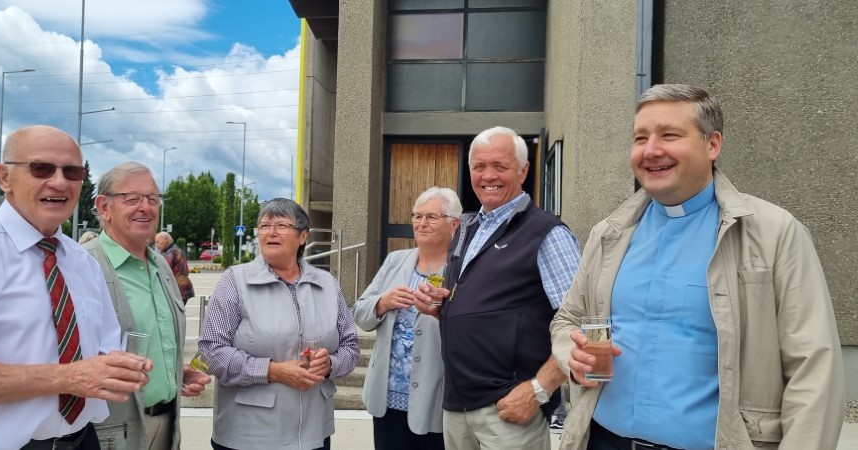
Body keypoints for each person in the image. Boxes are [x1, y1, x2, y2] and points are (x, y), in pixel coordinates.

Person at [550, 84, 846, 450]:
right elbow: (568, 320)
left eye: (669, 135)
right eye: (640, 138)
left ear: (713, 144)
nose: (651, 150)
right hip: (603, 441)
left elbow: (814, 369)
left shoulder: (775, 234)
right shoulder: (609, 234)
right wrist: (572, 355)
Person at [0, 125, 150, 450]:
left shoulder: (83, 262)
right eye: (41, 168)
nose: (60, 182)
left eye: (73, 172)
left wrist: (126, 368)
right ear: (4, 177)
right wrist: (68, 377)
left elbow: (103, 352)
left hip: (82, 440)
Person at [413, 126, 581, 450]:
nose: (488, 175)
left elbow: (580, 324)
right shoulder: (467, 229)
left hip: (510, 408)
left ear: (523, 171)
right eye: (479, 166)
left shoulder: (547, 233)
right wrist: (441, 308)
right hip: (457, 406)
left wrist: (539, 390)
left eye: (500, 166)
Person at [199, 198, 360, 450]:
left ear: (303, 236)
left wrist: (330, 364)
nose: (271, 232)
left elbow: (350, 346)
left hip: (314, 433)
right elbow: (211, 351)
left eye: (282, 225)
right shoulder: (235, 281)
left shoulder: (327, 284)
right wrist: (272, 371)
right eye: (264, 226)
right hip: (250, 436)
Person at [84, 162, 211, 449]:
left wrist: (172, 373)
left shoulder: (160, 265)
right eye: (132, 199)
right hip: (111, 435)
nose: (146, 207)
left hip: (166, 427)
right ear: (104, 207)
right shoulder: (83, 265)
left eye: (153, 198)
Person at [354, 187, 461, 450]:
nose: (422, 223)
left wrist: (443, 312)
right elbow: (361, 314)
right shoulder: (396, 261)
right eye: (417, 216)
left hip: (435, 399)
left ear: (454, 225)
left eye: (432, 217)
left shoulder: (462, 270)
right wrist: (382, 302)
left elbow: (472, 330)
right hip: (387, 398)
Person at [154, 231, 195, 303]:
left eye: (157, 242)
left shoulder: (172, 252)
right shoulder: (173, 250)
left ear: (166, 240)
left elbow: (164, 270)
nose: (156, 245)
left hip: (178, 290)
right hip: (182, 289)